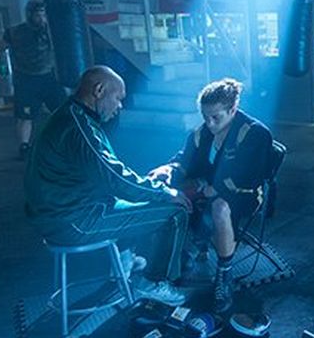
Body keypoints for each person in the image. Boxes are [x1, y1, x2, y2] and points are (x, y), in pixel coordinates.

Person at [25, 65, 190, 306]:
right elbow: (115, 179)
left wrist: (149, 189)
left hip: (55, 213)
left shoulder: (67, 114)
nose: (120, 106)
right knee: (175, 213)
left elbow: (108, 177)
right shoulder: (79, 127)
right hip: (74, 221)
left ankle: (123, 264)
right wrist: (164, 191)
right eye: (118, 98)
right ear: (99, 90)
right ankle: (153, 282)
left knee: (136, 198)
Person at [149, 78, 273, 335]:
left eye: (216, 117)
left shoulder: (256, 133)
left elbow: (249, 175)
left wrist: (212, 188)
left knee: (219, 208)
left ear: (233, 109)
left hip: (245, 195)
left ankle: (224, 276)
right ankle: (170, 266)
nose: (209, 123)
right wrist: (168, 171)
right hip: (209, 189)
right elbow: (183, 161)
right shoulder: (202, 133)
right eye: (205, 117)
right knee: (169, 195)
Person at [0, 1, 67, 159]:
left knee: (62, 111)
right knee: (25, 116)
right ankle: (24, 146)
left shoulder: (50, 30)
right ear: (29, 15)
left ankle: (65, 142)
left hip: (48, 77)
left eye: (43, 14)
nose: (40, 18)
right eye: (37, 15)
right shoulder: (14, 32)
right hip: (25, 79)